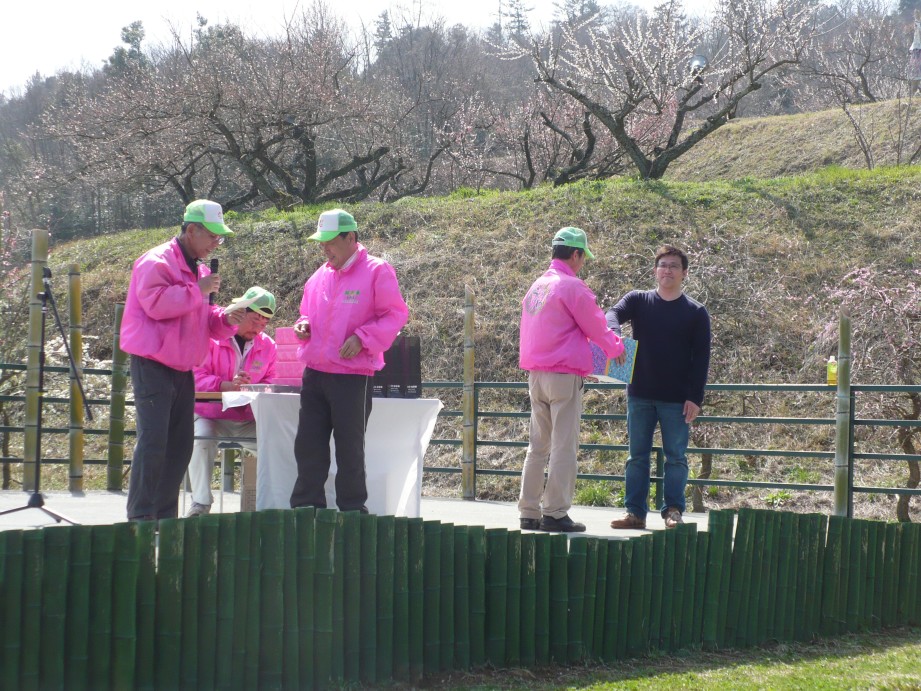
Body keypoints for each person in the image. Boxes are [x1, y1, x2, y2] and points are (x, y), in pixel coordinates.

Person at [121, 199, 245, 521]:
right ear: (191, 231)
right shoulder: (156, 261)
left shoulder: (198, 270)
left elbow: (206, 321)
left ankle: (164, 519)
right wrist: (197, 289)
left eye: (220, 237)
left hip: (183, 368)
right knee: (153, 443)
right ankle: (140, 518)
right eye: (213, 236)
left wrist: (228, 318)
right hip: (152, 365)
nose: (217, 242)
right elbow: (157, 305)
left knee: (179, 446)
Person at [289, 209, 409, 513]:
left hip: (353, 375)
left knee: (349, 447)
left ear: (351, 238)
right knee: (308, 445)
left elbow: (394, 314)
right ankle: (306, 507)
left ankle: (353, 509)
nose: (325, 249)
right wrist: (302, 325)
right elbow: (305, 311)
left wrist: (363, 338)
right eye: (321, 243)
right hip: (315, 372)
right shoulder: (320, 275)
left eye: (330, 242)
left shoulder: (377, 271)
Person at [518, 227, 625, 533]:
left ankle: (529, 511)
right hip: (564, 375)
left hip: (536, 374)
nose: (582, 264)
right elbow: (596, 328)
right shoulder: (572, 287)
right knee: (564, 446)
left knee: (537, 446)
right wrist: (617, 348)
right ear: (575, 254)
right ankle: (554, 512)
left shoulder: (537, 286)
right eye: (583, 257)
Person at [607, 245, 711, 530]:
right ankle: (635, 513)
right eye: (663, 265)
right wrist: (615, 336)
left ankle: (673, 511)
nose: (667, 270)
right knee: (636, 457)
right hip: (639, 393)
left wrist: (695, 397)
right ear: (655, 270)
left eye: (674, 266)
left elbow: (702, 358)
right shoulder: (638, 300)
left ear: (685, 273)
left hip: (677, 399)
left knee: (676, 458)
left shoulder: (696, 312)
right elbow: (612, 313)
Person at [186, 286, 278, 517]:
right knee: (200, 440)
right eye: (254, 320)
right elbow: (194, 376)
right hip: (210, 413)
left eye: (264, 323)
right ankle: (201, 503)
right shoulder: (211, 339)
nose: (258, 328)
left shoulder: (268, 346)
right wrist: (223, 385)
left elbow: (271, 379)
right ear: (239, 313)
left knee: (280, 442)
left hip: (247, 417)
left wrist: (254, 388)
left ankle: (276, 501)